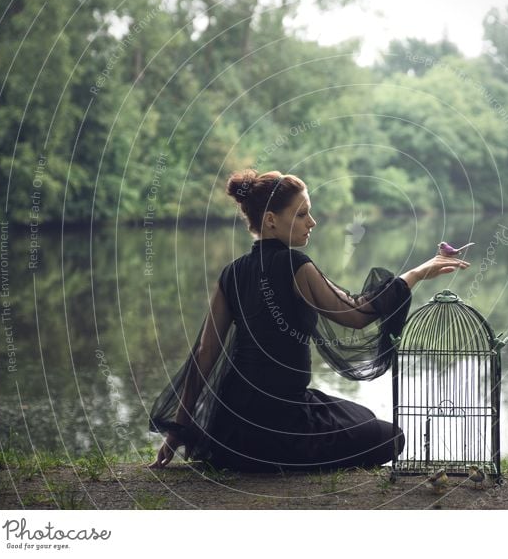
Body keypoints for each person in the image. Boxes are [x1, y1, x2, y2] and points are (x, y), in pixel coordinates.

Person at [148, 169, 470, 472]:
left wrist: (179, 430)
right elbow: (357, 314)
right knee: (391, 437)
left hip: (233, 433)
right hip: (284, 426)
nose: (312, 222)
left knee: (361, 415)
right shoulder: (296, 265)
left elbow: (206, 352)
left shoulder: (231, 273)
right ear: (272, 221)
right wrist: (414, 275)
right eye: (302, 214)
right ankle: (287, 459)